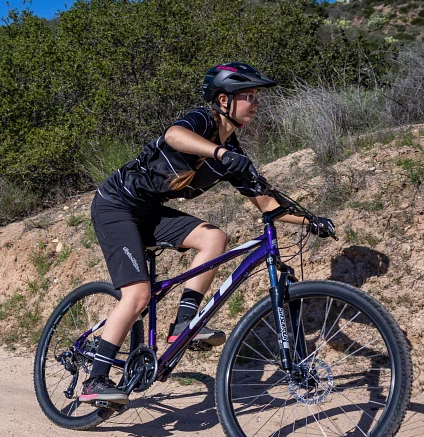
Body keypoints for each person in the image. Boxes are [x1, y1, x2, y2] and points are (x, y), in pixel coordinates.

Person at [81, 63, 335, 404]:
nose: (256, 103)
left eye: (257, 97)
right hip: (116, 206)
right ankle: (95, 381)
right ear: (223, 100)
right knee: (138, 295)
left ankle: (182, 327)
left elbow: (268, 205)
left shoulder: (234, 155)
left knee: (215, 238)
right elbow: (173, 136)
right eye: (249, 96)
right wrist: (220, 152)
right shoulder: (202, 122)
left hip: (151, 212)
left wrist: (310, 221)